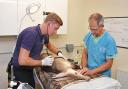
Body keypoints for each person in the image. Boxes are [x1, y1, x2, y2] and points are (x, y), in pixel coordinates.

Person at [11, 12, 66, 88]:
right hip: (21, 70)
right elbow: (22, 61)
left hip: (29, 69)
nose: (56, 32)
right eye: (55, 28)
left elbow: (49, 45)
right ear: (49, 24)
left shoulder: (44, 35)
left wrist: (59, 53)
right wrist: (42, 62)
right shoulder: (31, 34)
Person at [79, 13, 117, 77]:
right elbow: (85, 53)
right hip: (89, 72)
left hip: (102, 75)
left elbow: (109, 64)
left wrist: (92, 72)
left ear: (101, 26)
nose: (92, 32)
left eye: (94, 29)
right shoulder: (88, 36)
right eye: (90, 28)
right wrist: (84, 67)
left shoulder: (109, 40)